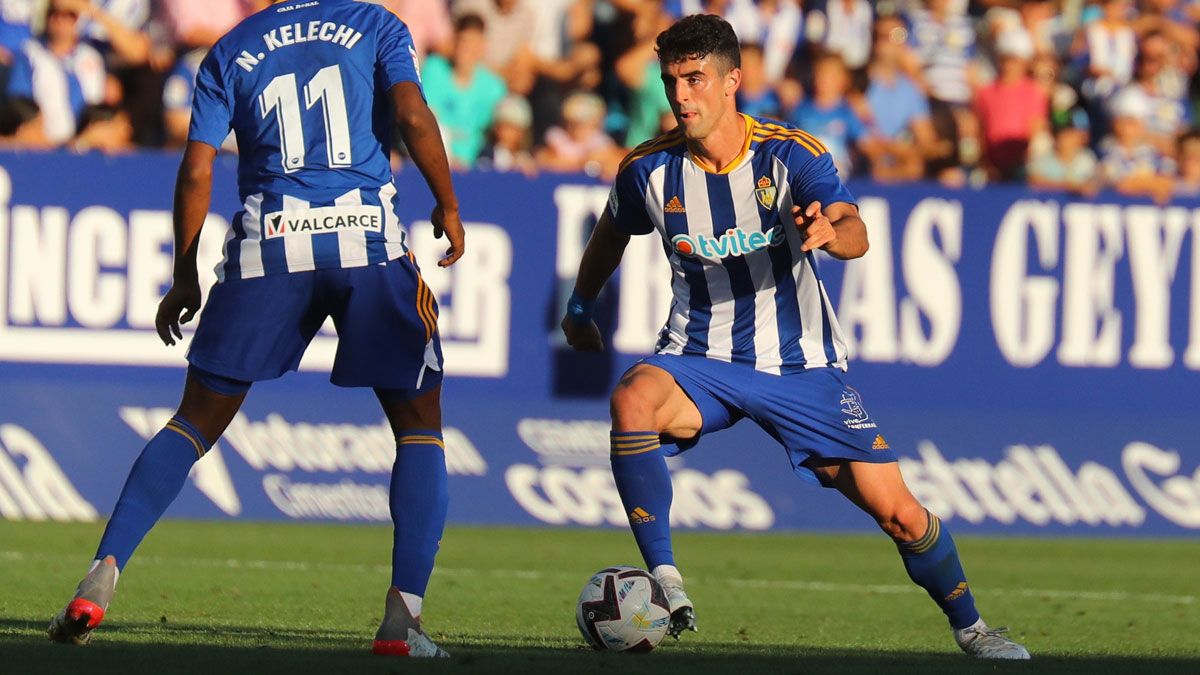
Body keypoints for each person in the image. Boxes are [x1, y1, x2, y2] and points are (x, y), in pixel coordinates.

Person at [560, 14, 1030, 661]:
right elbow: (612, 230)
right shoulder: (650, 170)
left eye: (695, 79)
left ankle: (973, 627)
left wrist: (832, 234)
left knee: (897, 512)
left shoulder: (790, 154)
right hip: (697, 357)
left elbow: (853, 228)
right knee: (632, 397)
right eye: (672, 81)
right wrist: (581, 304)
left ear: (733, 81)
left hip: (799, 366)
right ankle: (666, 582)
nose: (682, 96)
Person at [47, 0, 465, 659]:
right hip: (365, 243)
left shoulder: (232, 45)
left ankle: (102, 572)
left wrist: (185, 272)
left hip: (267, 248)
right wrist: (447, 200)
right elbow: (412, 114)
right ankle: (401, 619)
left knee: (193, 421)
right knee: (419, 423)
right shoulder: (377, 24)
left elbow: (196, 167)